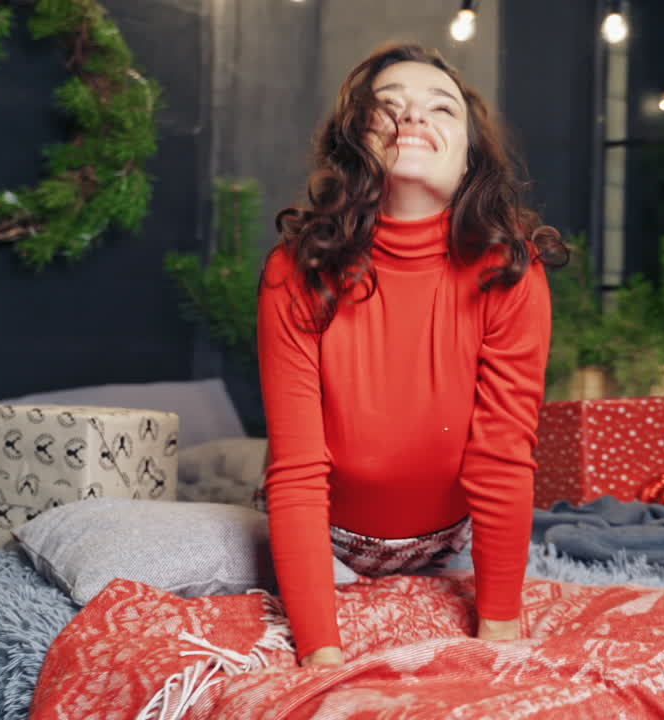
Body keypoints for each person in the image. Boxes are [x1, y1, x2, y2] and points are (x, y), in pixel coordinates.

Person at [258, 43, 565, 668]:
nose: (413, 118)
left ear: (470, 157)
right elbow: (294, 471)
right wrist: (319, 655)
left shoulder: (512, 270)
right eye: (387, 108)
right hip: (331, 536)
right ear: (355, 144)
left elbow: (504, 456)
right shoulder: (294, 271)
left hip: (449, 536)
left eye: (441, 109)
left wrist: (500, 634)